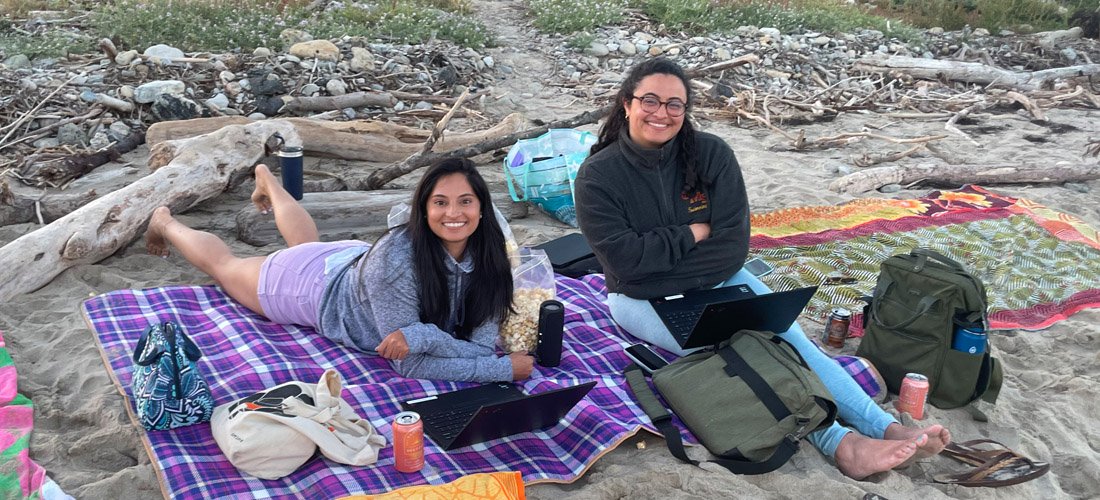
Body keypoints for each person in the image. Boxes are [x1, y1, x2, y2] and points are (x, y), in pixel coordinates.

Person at [573, 57, 951, 480]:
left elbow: (732, 249)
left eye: (674, 104)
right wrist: (693, 233)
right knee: (747, 350)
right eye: (650, 100)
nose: (661, 113)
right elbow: (624, 263)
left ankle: (884, 426)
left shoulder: (711, 155)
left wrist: (661, 256)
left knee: (794, 340)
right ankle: (840, 444)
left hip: (722, 279)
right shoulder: (598, 176)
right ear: (627, 103)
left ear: (686, 110)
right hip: (639, 298)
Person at [144, 158, 535, 383]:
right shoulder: (396, 263)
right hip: (310, 289)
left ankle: (267, 180)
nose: (454, 214)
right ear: (423, 209)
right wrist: (500, 371)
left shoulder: (488, 252)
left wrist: (422, 335)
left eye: (465, 201)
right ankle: (165, 222)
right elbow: (409, 363)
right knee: (226, 266)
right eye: (441, 203)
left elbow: (479, 348)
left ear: (482, 208)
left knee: (308, 244)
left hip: (354, 261)